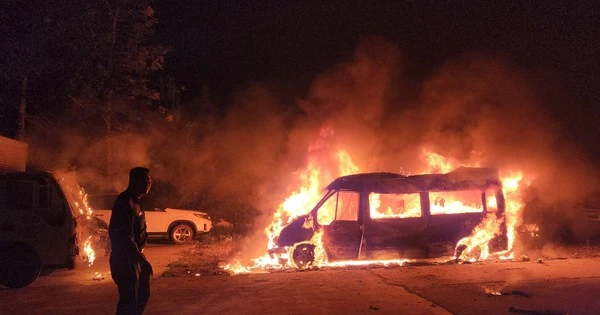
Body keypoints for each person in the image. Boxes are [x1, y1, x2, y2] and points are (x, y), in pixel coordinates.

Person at [109, 167, 153, 315]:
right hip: (124, 259)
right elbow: (124, 236)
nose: (148, 183)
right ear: (134, 181)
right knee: (129, 301)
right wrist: (140, 260)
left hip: (135, 256)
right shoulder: (125, 202)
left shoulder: (138, 202)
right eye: (145, 180)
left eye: (149, 180)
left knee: (143, 294)